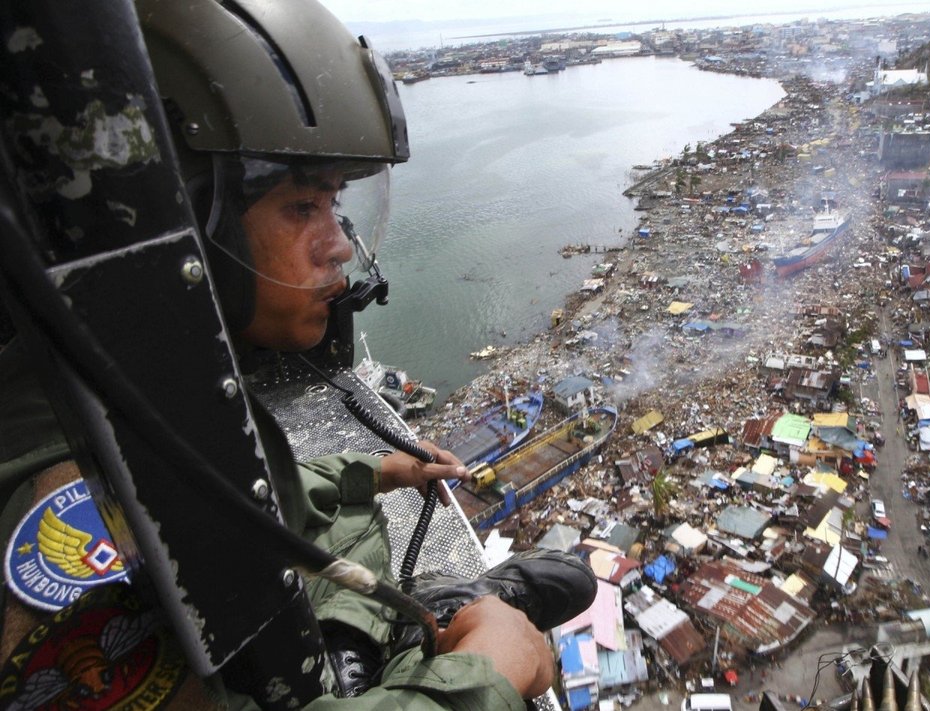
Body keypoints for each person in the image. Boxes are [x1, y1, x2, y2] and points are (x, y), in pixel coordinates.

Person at [0, 0, 597, 707]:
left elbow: (248, 506)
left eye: (334, 205)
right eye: (302, 207)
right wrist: (484, 677)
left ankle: (372, 634)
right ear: (191, 217)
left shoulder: (124, 394)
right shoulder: (69, 482)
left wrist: (375, 469)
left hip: (288, 620)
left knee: (351, 517)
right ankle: (419, 637)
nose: (341, 243)